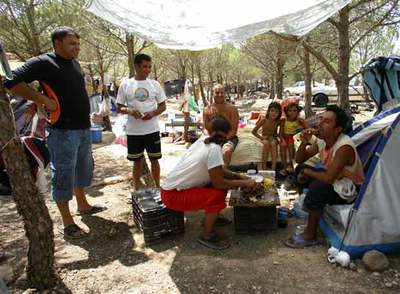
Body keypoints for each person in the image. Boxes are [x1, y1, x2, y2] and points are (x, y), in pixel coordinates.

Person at [4, 26, 105, 239]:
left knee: (82, 170)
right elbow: (11, 83)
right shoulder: (44, 62)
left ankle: (83, 205)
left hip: (83, 128)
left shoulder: (75, 64)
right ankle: (67, 222)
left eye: (78, 44)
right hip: (62, 132)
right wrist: (41, 99)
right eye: (72, 44)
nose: (77, 48)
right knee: (64, 175)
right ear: (57, 43)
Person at [161, 116, 256, 250]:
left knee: (220, 189)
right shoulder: (214, 149)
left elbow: (220, 169)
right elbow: (219, 183)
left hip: (170, 191)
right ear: (227, 134)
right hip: (173, 195)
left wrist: (238, 176)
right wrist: (245, 183)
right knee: (217, 194)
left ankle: (212, 217)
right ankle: (207, 235)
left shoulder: (203, 141)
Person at [285, 105, 364, 248]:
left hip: (349, 190)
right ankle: (309, 207)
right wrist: (304, 142)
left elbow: (328, 179)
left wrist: (308, 173)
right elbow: (300, 159)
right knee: (300, 169)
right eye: (321, 119)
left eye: (327, 122)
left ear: (338, 129)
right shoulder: (322, 140)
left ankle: (310, 235)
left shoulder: (343, 146)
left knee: (318, 186)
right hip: (335, 181)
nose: (319, 124)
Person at [116, 53, 166, 191]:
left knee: (155, 160)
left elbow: (163, 106)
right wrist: (130, 111)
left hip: (152, 130)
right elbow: (119, 107)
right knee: (137, 162)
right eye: (144, 66)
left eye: (150, 67)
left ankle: (157, 187)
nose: (148, 70)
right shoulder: (126, 85)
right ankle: (137, 190)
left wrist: (153, 113)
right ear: (136, 66)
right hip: (134, 132)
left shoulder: (155, 84)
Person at [203, 84, 239, 166]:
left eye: (222, 92)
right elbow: (205, 128)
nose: (219, 95)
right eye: (217, 92)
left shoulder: (232, 109)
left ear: (225, 93)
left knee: (227, 150)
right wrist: (211, 138)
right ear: (213, 94)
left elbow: (233, 130)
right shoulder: (207, 109)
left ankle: (224, 173)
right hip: (212, 137)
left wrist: (222, 140)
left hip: (229, 137)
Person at [251, 102, 282, 170]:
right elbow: (253, 131)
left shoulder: (278, 121)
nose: (274, 113)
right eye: (272, 111)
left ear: (279, 113)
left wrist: (278, 138)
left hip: (273, 137)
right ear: (268, 111)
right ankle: (264, 166)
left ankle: (273, 167)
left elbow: (280, 133)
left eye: (276, 112)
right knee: (266, 144)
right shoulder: (264, 120)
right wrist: (262, 137)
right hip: (264, 137)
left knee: (273, 144)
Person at [279, 102, 308, 175]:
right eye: (290, 110)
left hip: (293, 137)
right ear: (287, 112)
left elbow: (307, 128)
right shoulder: (283, 120)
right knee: (282, 146)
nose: (292, 112)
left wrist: (303, 125)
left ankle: (291, 165)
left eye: (294, 110)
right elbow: (280, 133)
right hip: (284, 137)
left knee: (291, 145)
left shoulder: (299, 120)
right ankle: (284, 167)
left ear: (297, 112)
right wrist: (282, 140)